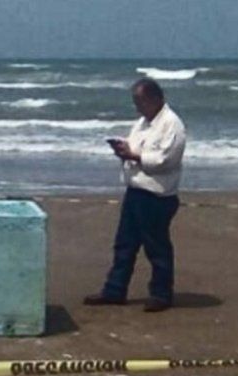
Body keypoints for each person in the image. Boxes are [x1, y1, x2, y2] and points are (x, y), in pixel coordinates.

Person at [84, 78, 186, 312]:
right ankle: (114, 290)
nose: (137, 107)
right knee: (124, 244)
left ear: (154, 99)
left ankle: (161, 294)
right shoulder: (143, 122)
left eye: (140, 102)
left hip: (157, 195)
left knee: (156, 246)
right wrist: (124, 150)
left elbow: (164, 160)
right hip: (136, 190)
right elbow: (136, 146)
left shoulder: (172, 124)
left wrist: (134, 156)